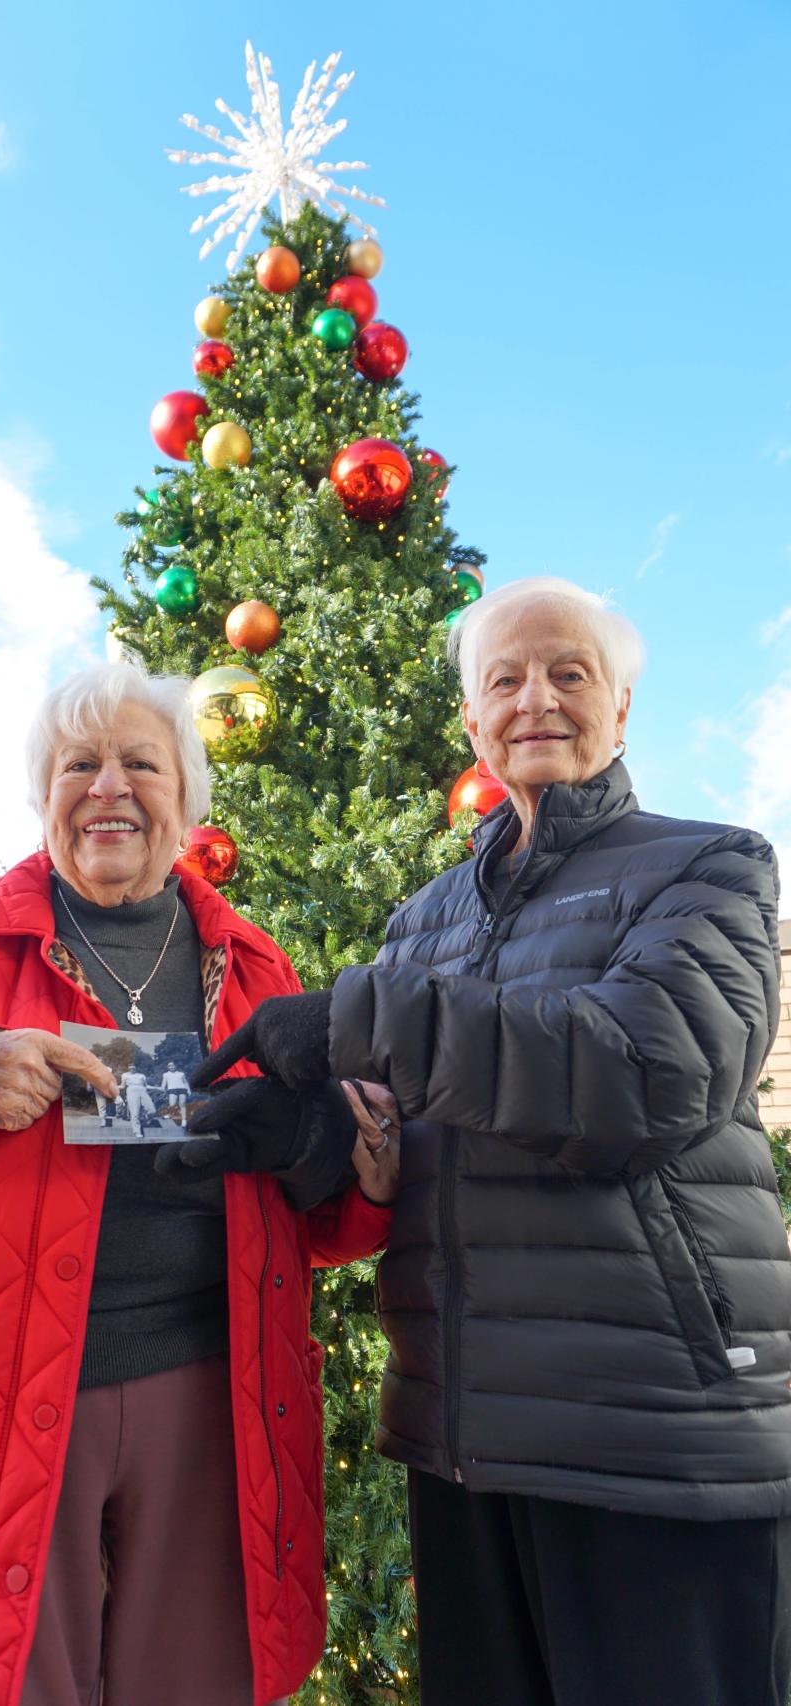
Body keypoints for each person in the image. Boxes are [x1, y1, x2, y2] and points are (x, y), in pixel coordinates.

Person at [197, 577, 791, 1706]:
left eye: (571, 673)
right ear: (471, 720)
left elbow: (650, 1070)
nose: (538, 699)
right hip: (462, 1436)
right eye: (505, 678)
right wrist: (310, 1136)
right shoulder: (424, 919)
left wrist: (356, 1017)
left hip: (653, 1438)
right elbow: (411, 1127)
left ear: (621, 711)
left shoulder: (709, 864)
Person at [0, 661, 399, 1706]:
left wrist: (326, 1158)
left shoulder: (258, 964)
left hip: (211, 1404)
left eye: (140, 761)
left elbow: (315, 1224)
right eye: (78, 763)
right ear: (42, 791)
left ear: (186, 796)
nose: (108, 786)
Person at [157, 1058, 191, 1126]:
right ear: (168, 1067)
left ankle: (184, 1120)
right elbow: (163, 1085)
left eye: (173, 1065)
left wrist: (189, 1090)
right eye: (169, 1066)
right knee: (172, 1105)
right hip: (172, 1090)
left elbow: (185, 1082)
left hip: (182, 1089)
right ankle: (170, 1114)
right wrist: (160, 1089)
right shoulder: (165, 1074)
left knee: (182, 1105)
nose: (171, 1067)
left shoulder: (181, 1074)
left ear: (175, 1066)